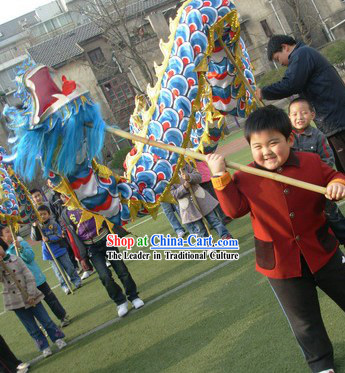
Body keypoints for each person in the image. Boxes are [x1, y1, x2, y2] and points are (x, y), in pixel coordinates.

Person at [206, 105, 345, 373]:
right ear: (249, 147)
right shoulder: (244, 177)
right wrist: (218, 176)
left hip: (323, 251)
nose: (266, 151)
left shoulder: (310, 162)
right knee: (304, 321)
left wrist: (337, 183)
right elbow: (234, 210)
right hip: (280, 265)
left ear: (289, 139)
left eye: (273, 142)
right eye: (257, 146)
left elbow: (335, 176)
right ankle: (321, 364)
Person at [255, 34, 345, 172]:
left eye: (278, 58)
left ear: (285, 47)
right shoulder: (305, 54)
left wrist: (264, 92)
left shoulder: (302, 54)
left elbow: (290, 84)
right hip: (334, 119)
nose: (281, 64)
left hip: (336, 119)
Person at [60, 195, 144, 317]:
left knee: (121, 269)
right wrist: (82, 257)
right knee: (105, 276)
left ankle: (134, 296)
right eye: (63, 195)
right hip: (91, 248)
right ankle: (120, 301)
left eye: (67, 193)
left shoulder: (87, 201)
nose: (66, 197)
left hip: (106, 238)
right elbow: (73, 236)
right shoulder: (65, 214)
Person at [289, 97, 345, 245]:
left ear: (312, 115)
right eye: (294, 114)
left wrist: (318, 178)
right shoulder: (286, 138)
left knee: (333, 216)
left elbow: (328, 160)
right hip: (298, 191)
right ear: (289, 117)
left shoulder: (318, 136)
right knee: (312, 225)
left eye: (303, 113)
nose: (299, 117)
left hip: (319, 188)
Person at [0, 246, 67, 358]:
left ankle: (57, 338)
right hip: (16, 301)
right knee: (31, 327)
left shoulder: (16, 259)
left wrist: (31, 294)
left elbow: (28, 275)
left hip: (31, 295)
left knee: (46, 320)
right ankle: (44, 347)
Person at [0, 226, 70, 328]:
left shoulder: (22, 243)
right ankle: (45, 325)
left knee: (50, 298)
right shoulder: (6, 253)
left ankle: (62, 316)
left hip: (37, 278)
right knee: (35, 306)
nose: (11, 233)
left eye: (11, 230)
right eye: (7, 232)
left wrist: (20, 248)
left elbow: (30, 257)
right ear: (2, 237)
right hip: (25, 285)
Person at [170, 162, 232, 239]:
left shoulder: (184, 165)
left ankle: (225, 236)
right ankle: (208, 246)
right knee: (200, 229)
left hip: (201, 200)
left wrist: (189, 177)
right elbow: (172, 195)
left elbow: (198, 177)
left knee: (214, 220)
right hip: (189, 208)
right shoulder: (168, 177)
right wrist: (184, 187)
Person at [31, 205, 82, 294]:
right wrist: (35, 227)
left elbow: (59, 235)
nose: (42, 216)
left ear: (49, 214)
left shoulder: (53, 223)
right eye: (40, 215)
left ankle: (76, 280)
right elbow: (35, 238)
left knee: (69, 267)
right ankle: (65, 286)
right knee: (59, 272)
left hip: (60, 250)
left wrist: (49, 238)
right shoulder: (38, 226)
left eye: (44, 214)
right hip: (49, 254)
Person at [30, 187, 80, 272]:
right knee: (55, 257)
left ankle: (75, 267)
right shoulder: (33, 212)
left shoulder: (49, 204)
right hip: (47, 236)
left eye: (39, 195)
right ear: (32, 199)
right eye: (35, 197)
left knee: (66, 248)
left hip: (57, 231)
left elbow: (57, 216)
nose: (38, 198)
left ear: (41, 195)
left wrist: (62, 228)